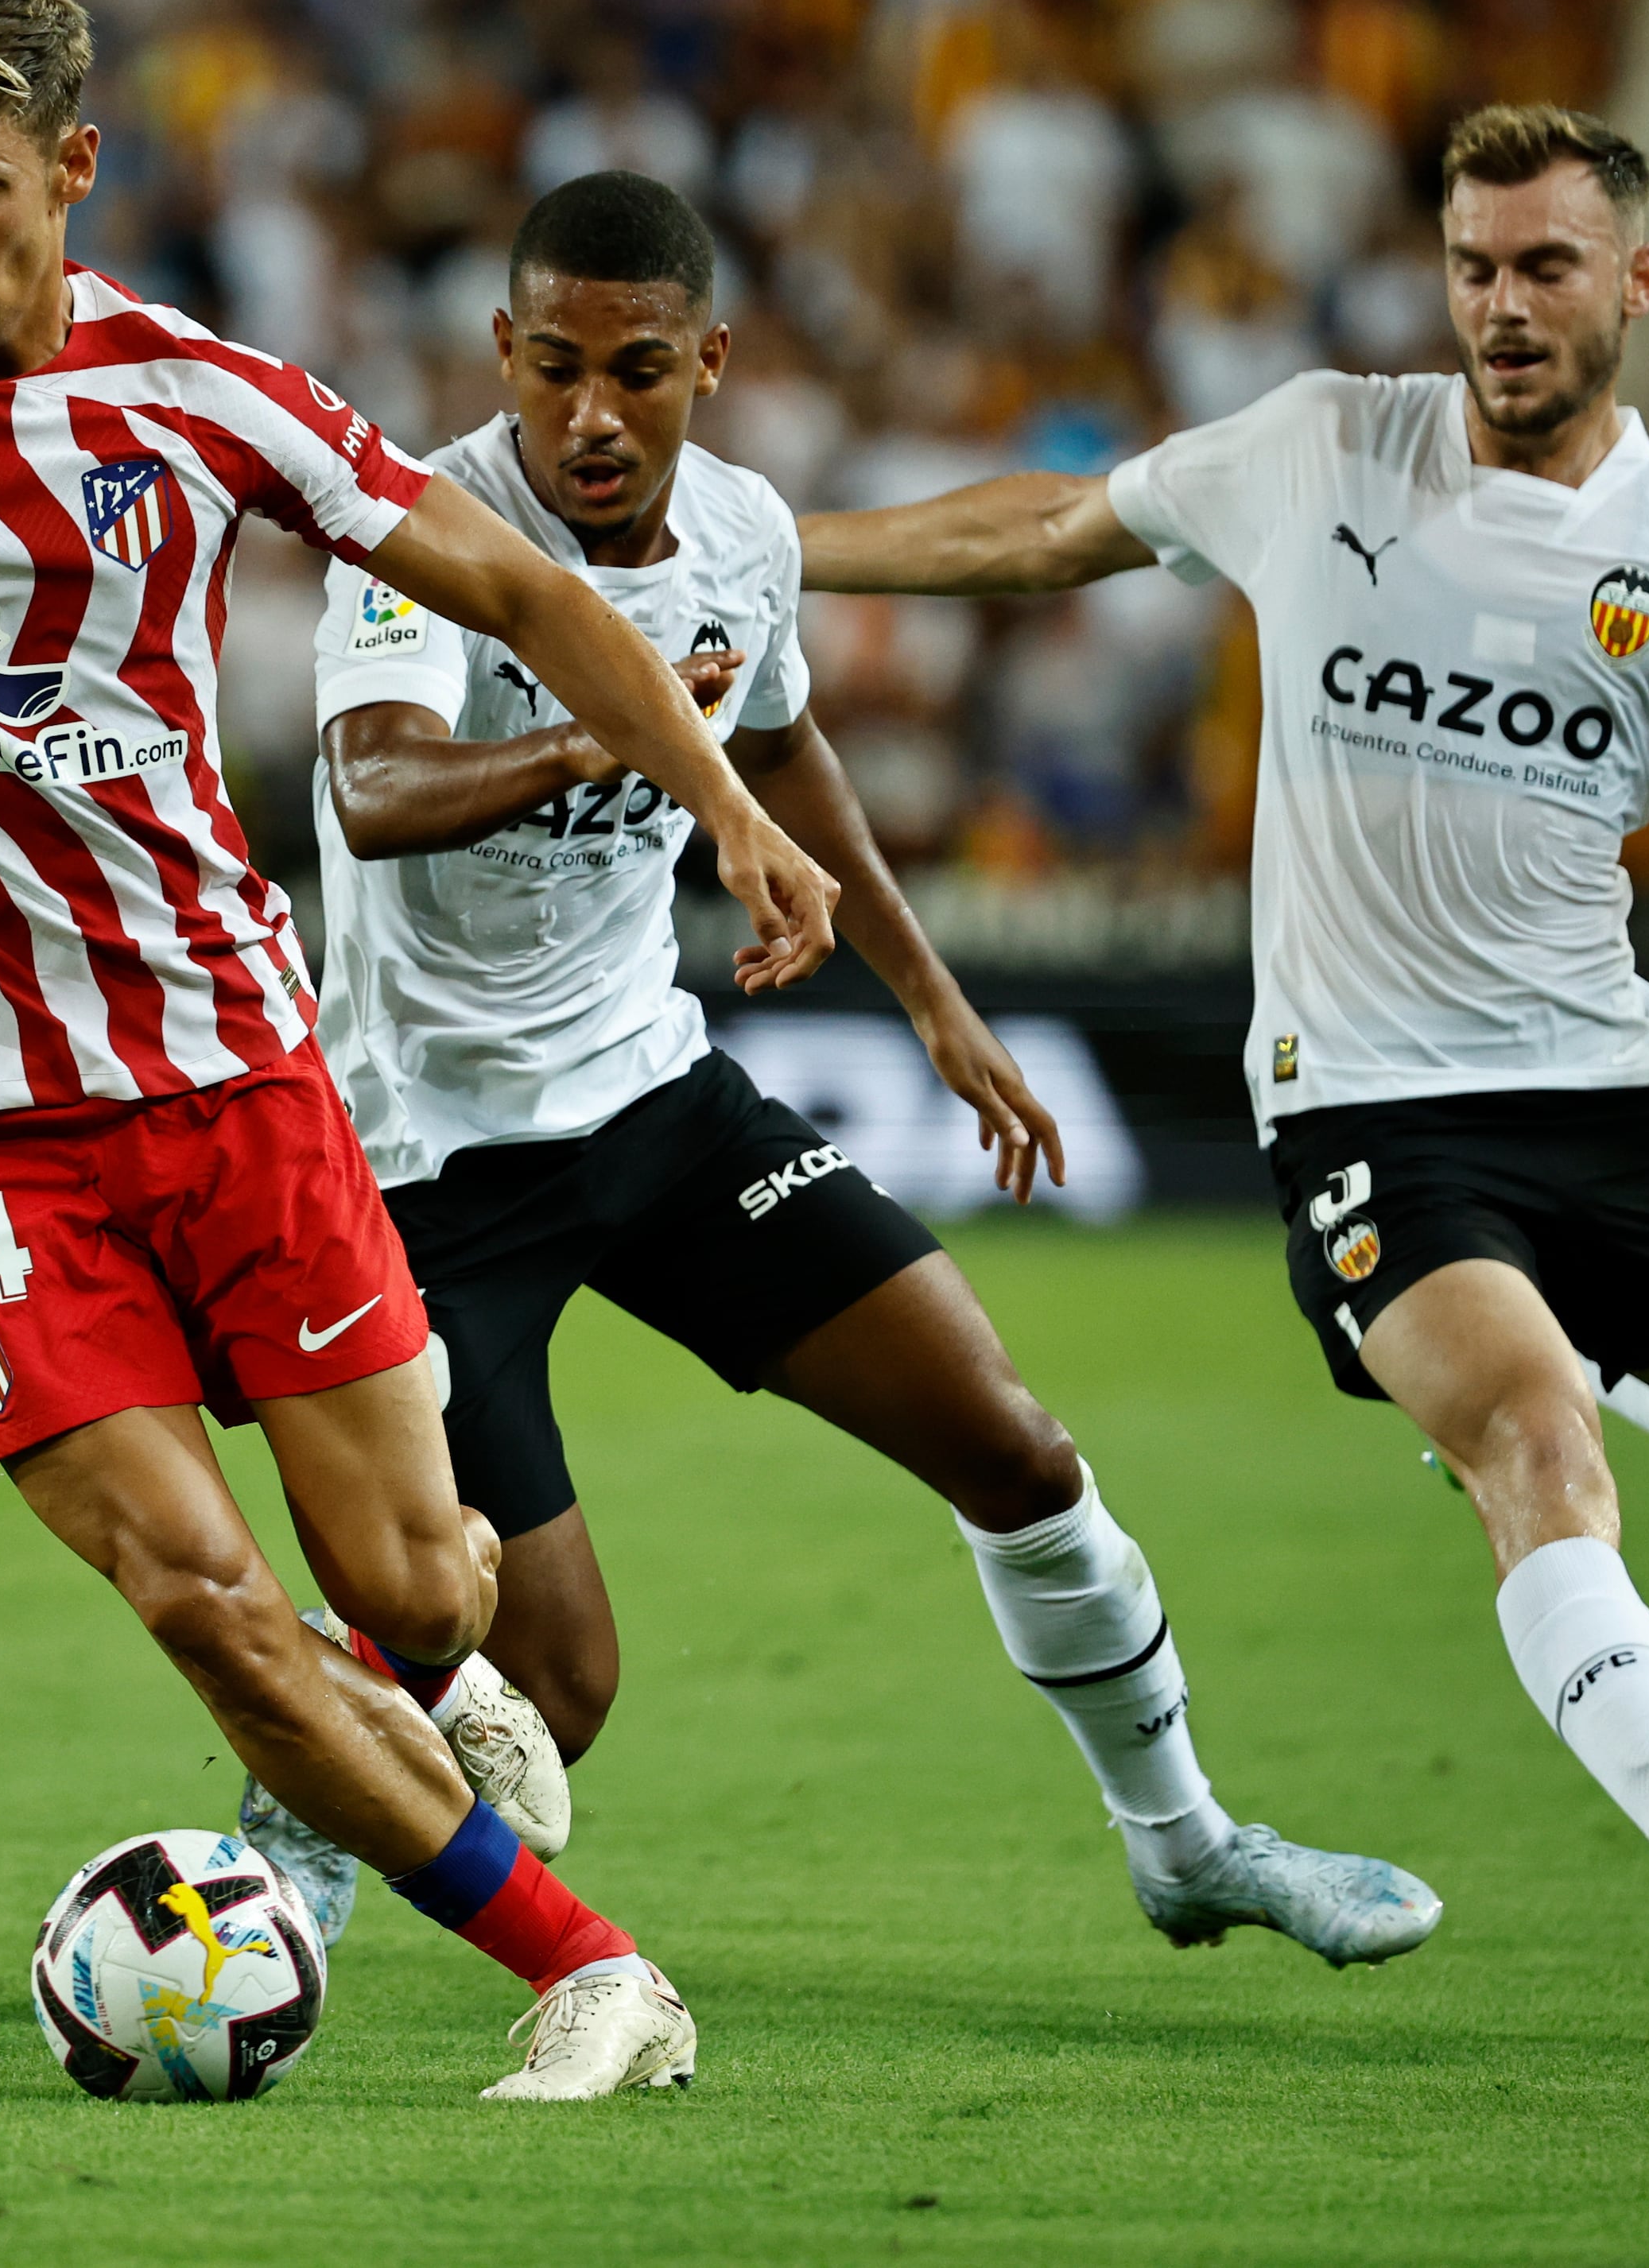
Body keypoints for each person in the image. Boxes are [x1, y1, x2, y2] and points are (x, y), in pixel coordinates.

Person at [0, 0, 842, 2099]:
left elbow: (535, 597)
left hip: (233, 1072)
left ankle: (418, 1593)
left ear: (74, 169)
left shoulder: (207, 395)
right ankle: (596, 1971)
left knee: (418, 1595)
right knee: (198, 1590)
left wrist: (730, 804)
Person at [792, 103, 1649, 1968]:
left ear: (1633, 283)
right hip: (1373, 1108)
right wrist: (766, 547)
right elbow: (1040, 532)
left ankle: (1567, 1367)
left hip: (1615, 1096)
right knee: (1529, 1433)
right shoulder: (1322, 442)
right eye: (1474, 266)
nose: (1501, 306)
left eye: (1545, 266)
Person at [298, 169, 1439, 1970]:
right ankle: (299, 1819)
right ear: (501, 351)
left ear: (712, 362)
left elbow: (788, 744)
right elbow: (371, 793)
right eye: (558, 368)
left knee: (1013, 1440)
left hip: (655, 1099)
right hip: (427, 1156)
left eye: (641, 370)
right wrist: (629, 726)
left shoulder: (742, 531)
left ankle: (1188, 1838)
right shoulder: (423, 525)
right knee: (559, 1684)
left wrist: (933, 998)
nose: (594, 415)